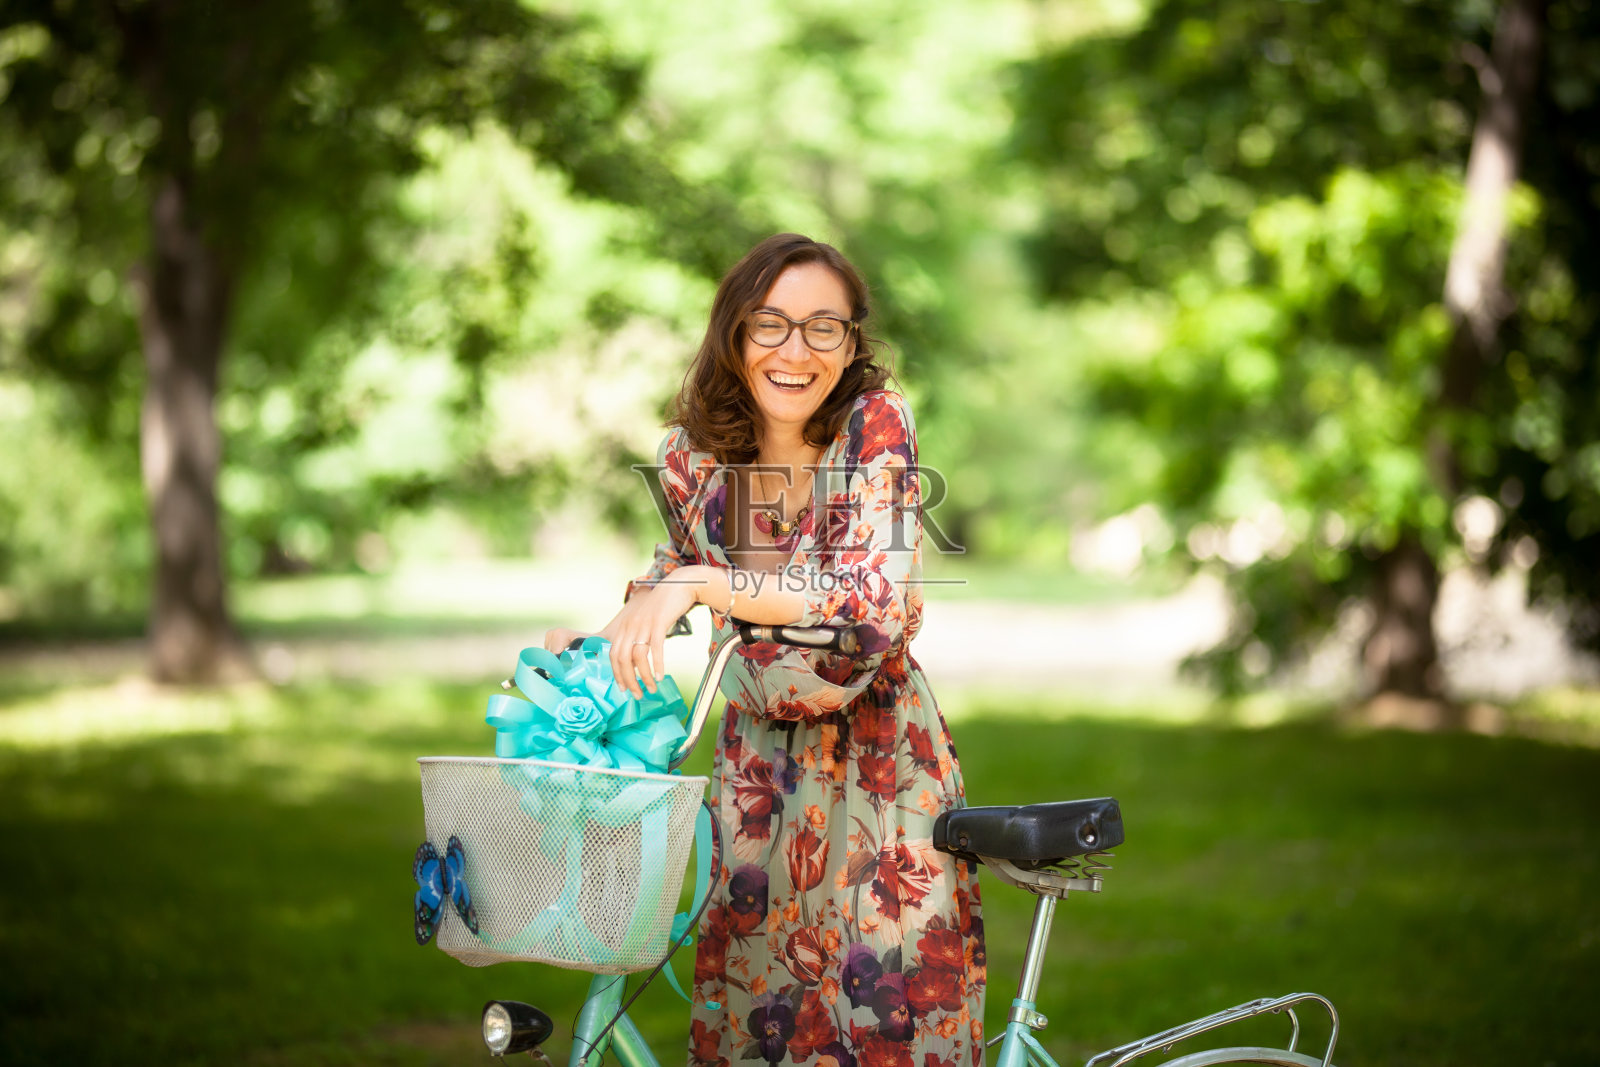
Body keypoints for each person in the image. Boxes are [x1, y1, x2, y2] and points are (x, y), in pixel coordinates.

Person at [544, 233, 986, 1067]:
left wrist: (708, 586)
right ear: (735, 333)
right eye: (771, 324)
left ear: (852, 344)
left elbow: (868, 599)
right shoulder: (699, 456)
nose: (796, 350)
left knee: (884, 1028)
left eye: (825, 327)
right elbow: (674, 574)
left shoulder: (872, 424)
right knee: (759, 1028)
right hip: (754, 784)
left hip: (878, 770)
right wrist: (592, 642)